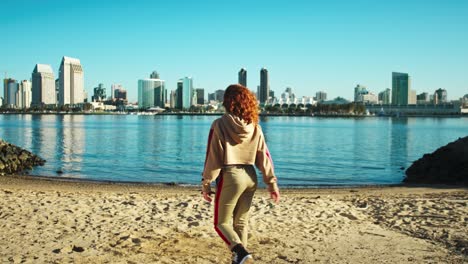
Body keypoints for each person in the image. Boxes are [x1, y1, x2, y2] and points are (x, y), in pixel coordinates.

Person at [202, 84, 280, 264]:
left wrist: (206, 183)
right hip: (250, 176)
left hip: (231, 175)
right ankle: (242, 260)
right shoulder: (255, 127)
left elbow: (213, 157)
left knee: (221, 223)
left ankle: (241, 253)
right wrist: (271, 183)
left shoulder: (220, 124)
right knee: (240, 222)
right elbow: (264, 157)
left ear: (227, 102)